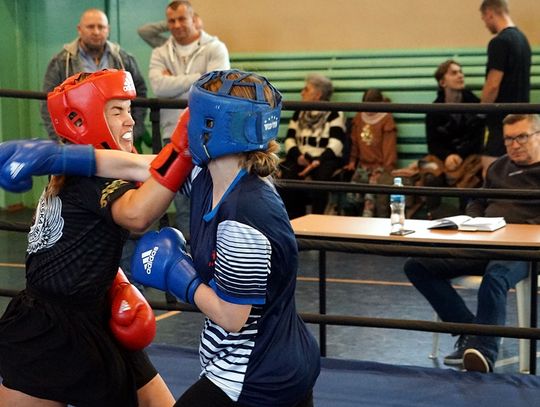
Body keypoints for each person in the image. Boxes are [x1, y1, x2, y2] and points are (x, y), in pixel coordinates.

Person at [0, 69, 321, 406]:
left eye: (194, 117)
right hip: (55, 325)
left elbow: (231, 315)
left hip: (254, 373)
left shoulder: (243, 213)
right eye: (117, 110)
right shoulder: (209, 178)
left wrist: (178, 274)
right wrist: (57, 156)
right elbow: (141, 168)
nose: (183, 125)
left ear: (214, 126)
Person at [0, 70, 174, 405]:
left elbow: (76, 242)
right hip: (50, 330)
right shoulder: (90, 177)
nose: (130, 121)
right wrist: (181, 158)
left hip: (93, 311)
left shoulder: (76, 164)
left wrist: (117, 281)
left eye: (128, 109)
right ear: (86, 119)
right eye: (116, 111)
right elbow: (136, 215)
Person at [404, 113, 540, 373]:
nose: (514, 144)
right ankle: (468, 330)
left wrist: (523, 230)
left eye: (521, 137)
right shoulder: (499, 167)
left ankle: (484, 353)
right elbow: (477, 200)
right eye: (509, 139)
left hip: (526, 250)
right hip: (486, 241)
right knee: (417, 265)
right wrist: (475, 220)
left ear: (538, 135)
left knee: (495, 276)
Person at [149, 0, 229, 233]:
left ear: (194, 19)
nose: (176, 25)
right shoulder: (159, 52)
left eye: (182, 19)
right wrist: (199, 76)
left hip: (210, 135)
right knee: (182, 204)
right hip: (172, 134)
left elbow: (215, 87)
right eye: (171, 20)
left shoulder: (216, 48)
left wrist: (175, 80)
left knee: (213, 198)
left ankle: (210, 257)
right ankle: (187, 262)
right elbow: (159, 87)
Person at [40, 8, 148, 150]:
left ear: (108, 29)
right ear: (79, 29)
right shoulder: (61, 61)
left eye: (101, 27)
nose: (96, 32)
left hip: (116, 142)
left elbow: (140, 92)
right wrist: (61, 142)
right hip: (77, 146)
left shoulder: (124, 59)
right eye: (91, 27)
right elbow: (49, 104)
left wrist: (133, 130)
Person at [419, 59, 485, 214]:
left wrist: (460, 155)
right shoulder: (434, 110)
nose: (460, 76)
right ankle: (434, 217)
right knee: (429, 174)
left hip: (469, 158)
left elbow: (478, 138)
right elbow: (433, 144)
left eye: (461, 72)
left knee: (474, 177)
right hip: (444, 160)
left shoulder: (476, 104)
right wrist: (448, 156)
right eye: (454, 73)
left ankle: (468, 219)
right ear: (442, 82)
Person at [279, 73, 346, 219]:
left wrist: (318, 160)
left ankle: (318, 220)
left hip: (324, 159)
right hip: (301, 158)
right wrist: (298, 157)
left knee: (320, 181)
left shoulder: (334, 113)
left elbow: (336, 144)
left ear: (318, 95)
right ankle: (294, 220)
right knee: (287, 179)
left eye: (306, 89)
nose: (302, 93)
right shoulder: (300, 112)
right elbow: (290, 139)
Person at [479, 0, 531, 174]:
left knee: (491, 174)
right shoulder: (523, 41)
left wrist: (480, 110)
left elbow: (493, 84)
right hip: (522, 120)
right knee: (517, 176)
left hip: (500, 120)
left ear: (490, 13)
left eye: (484, 18)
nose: (485, 24)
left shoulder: (499, 42)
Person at [342, 88, 397, 217]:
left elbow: (389, 149)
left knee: (369, 200)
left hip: (379, 167)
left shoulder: (386, 119)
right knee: (350, 197)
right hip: (362, 166)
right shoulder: (359, 117)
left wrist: (386, 169)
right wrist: (352, 161)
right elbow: (354, 142)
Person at [137, 12, 203, 48]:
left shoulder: (207, 50)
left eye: (196, 29)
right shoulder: (168, 47)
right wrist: (173, 24)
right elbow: (144, 31)